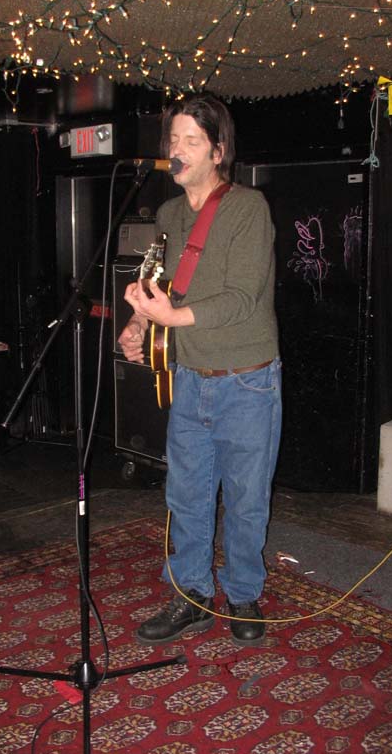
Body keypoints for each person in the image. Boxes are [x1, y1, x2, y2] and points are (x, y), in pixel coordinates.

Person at [118, 93, 281, 646]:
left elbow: (242, 296)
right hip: (188, 379)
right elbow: (164, 294)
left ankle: (242, 596)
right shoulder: (166, 216)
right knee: (185, 497)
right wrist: (141, 325)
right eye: (173, 141)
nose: (178, 151)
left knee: (246, 498)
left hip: (247, 380)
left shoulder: (247, 208)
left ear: (218, 151)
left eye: (191, 141)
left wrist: (172, 313)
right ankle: (190, 598)